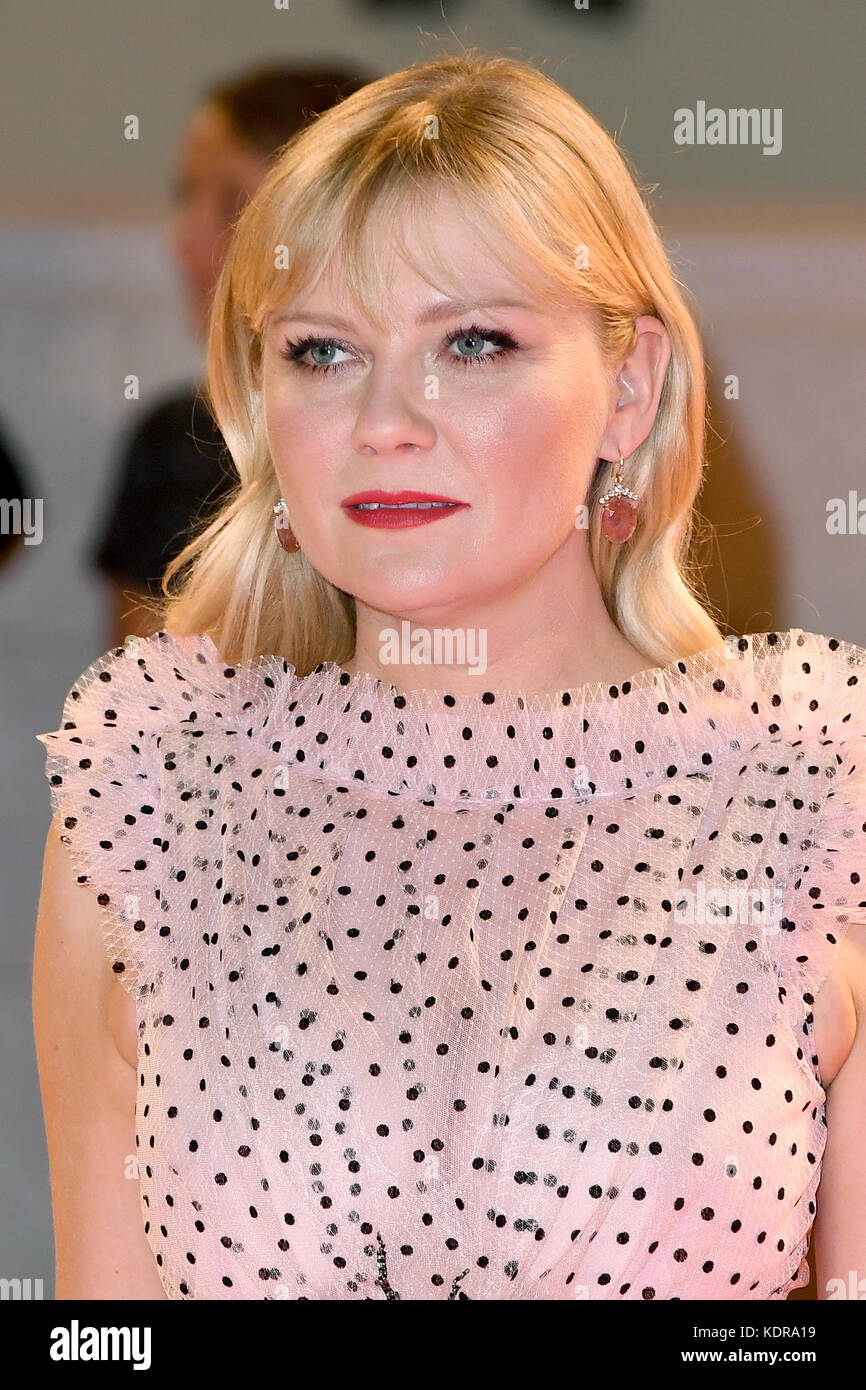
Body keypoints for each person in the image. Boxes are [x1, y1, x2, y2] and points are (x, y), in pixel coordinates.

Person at [34, 50, 865, 1301]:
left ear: (626, 389)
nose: (384, 420)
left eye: (471, 341)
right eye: (320, 351)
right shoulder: (146, 794)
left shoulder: (814, 787)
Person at [89, 62, 370, 647]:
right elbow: (138, 716)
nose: (184, 240)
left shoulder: (403, 434)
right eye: (187, 196)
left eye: (232, 206)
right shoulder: (178, 440)